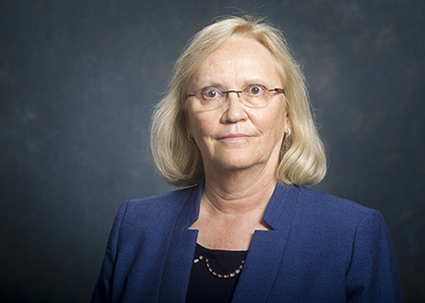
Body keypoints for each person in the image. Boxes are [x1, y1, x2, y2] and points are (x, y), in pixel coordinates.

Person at [91, 16, 402, 303]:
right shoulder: (136, 226)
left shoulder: (352, 234)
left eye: (255, 90)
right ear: (187, 121)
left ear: (288, 115)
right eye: (211, 93)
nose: (234, 113)